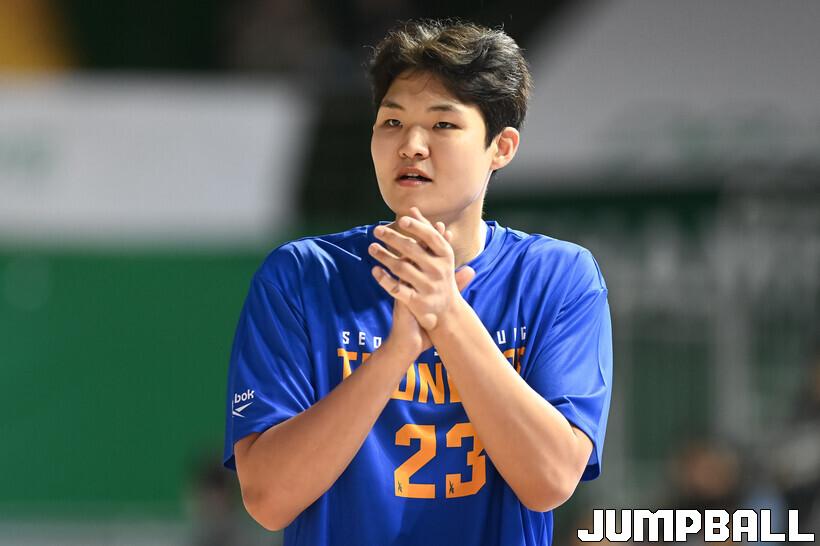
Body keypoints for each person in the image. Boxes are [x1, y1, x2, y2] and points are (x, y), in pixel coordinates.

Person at [223, 19, 613, 546]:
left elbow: (550, 481)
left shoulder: (557, 277)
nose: (410, 144)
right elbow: (268, 500)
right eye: (391, 122)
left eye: (443, 124)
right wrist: (395, 353)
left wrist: (447, 314)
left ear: (501, 147)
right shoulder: (301, 275)